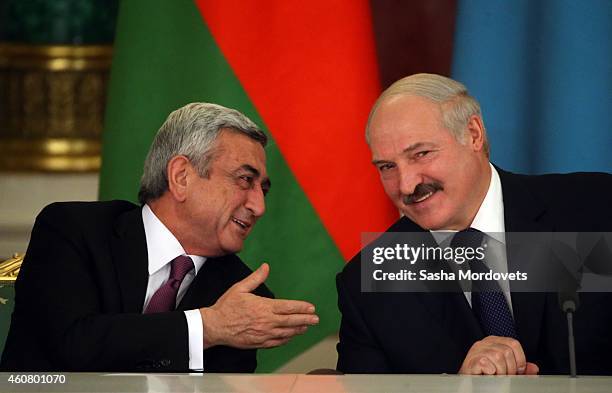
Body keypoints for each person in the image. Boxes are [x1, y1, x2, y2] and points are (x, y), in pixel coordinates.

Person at [1, 103, 319, 372]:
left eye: (262, 189)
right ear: (181, 177)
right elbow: (71, 345)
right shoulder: (73, 230)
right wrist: (207, 328)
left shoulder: (241, 294)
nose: (258, 206)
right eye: (245, 180)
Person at [336, 74, 612, 375]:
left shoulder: (595, 210)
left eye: (421, 154)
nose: (406, 185)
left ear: (473, 134)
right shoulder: (372, 281)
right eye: (387, 167)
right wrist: (456, 387)